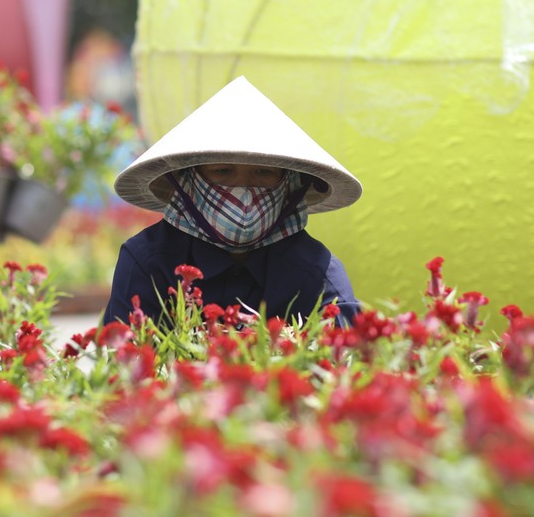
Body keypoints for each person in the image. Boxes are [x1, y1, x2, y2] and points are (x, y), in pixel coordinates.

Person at [102, 76, 362, 328]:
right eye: (223, 171)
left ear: (290, 184)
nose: (244, 193)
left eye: (263, 173)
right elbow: (128, 363)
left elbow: (343, 364)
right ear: (187, 180)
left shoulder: (317, 275)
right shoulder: (148, 263)